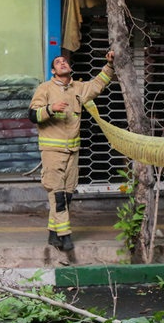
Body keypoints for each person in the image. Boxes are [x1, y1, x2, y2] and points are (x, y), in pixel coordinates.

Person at [29, 51, 115, 251]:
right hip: (52, 151)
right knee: (57, 194)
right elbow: (32, 114)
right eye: (58, 62)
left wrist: (109, 65)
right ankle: (65, 235)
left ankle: (53, 234)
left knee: (67, 195)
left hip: (72, 152)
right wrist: (50, 108)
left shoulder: (78, 88)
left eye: (64, 61)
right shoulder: (45, 88)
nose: (62, 63)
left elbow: (98, 84)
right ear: (53, 70)